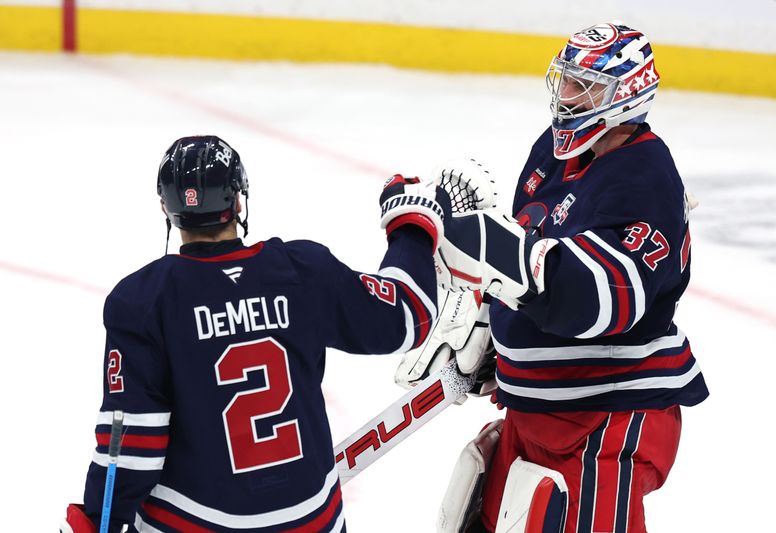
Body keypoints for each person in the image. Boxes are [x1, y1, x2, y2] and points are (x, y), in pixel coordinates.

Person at [60, 135, 449, 533]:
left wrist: (94, 523)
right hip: (310, 521)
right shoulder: (303, 270)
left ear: (166, 208)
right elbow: (405, 317)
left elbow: (131, 448)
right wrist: (411, 227)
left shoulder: (143, 300)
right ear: (239, 200)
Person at [426, 22, 709, 533]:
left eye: (585, 86)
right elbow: (530, 261)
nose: (568, 96)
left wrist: (492, 247)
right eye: (566, 81)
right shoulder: (553, 154)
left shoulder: (645, 176)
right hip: (540, 406)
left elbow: (600, 300)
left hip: (607, 417)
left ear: (626, 93)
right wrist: (494, 333)